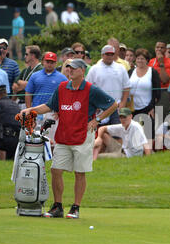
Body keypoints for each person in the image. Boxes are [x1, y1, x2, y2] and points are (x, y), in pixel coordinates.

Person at [19, 58, 118, 219]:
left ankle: (75, 207)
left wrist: (97, 120)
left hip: (83, 135)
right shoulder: (62, 87)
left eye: (73, 68)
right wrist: (31, 110)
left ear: (82, 71)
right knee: (55, 170)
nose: (69, 70)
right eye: (68, 68)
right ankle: (57, 206)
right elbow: (50, 106)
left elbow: (113, 104)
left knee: (80, 172)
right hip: (64, 135)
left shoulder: (91, 89)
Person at [86, 45, 131, 125]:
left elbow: (126, 87)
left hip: (116, 106)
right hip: (100, 108)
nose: (110, 56)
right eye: (107, 54)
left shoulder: (121, 68)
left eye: (112, 54)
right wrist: (94, 105)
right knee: (101, 133)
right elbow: (88, 89)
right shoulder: (94, 69)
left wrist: (123, 103)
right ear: (102, 55)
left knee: (116, 133)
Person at [128, 48, 161, 139]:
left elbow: (157, 93)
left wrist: (152, 107)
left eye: (142, 58)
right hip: (132, 108)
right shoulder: (131, 72)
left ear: (147, 60)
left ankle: (149, 151)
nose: (140, 60)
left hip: (147, 108)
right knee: (133, 134)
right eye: (138, 58)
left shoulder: (152, 72)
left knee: (148, 135)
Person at [148, 41, 170, 119]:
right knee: (149, 119)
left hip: (163, 92)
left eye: (162, 47)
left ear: (165, 49)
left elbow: (164, 80)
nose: (159, 49)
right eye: (157, 47)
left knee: (159, 119)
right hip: (151, 92)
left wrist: (161, 63)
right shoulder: (151, 61)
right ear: (154, 49)